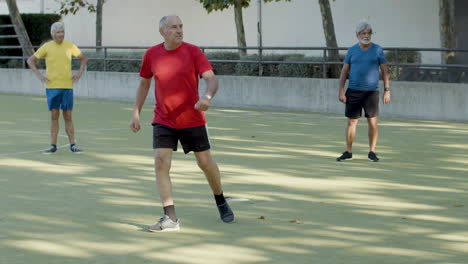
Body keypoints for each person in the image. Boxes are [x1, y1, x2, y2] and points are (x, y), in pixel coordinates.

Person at [130, 15, 234, 232]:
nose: (179, 30)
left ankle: (221, 200)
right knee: (160, 162)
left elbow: (211, 79)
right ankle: (170, 218)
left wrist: (207, 97)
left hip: (192, 118)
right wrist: (136, 112)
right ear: (162, 32)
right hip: (163, 119)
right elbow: (144, 84)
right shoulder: (151, 55)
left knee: (205, 163)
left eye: (181, 26)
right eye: (173, 27)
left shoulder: (194, 52)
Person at [27, 22, 88, 154]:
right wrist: (39, 76)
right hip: (52, 88)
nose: (61, 34)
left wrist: (79, 73)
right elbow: (30, 60)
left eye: (62, 31)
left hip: (67, 87)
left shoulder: (70, 46)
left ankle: (73, 145)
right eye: (58, 32)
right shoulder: (47, 47)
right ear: (53, 34)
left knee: (68, 116)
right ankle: (52, 146)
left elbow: (83, 58)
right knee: (54, 116)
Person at [337, 22, 391, 162]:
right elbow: (344, 72)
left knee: (373, 123)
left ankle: (372, 152)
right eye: (363, 33)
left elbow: (385, 71)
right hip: (353, 91)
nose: (366, 36)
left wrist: (387, 90)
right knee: (351, 123)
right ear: (357, 35)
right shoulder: (352, 51)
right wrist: (341, 91)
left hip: (371, 92)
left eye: (368, 33)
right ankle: (348, 152)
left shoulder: (378, 50)